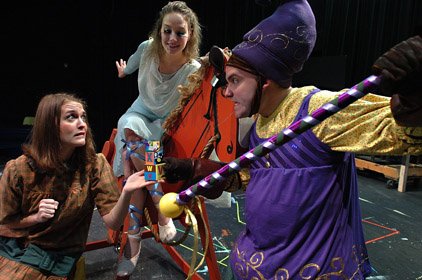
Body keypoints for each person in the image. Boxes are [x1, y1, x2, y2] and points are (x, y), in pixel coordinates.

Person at [162, 0, 422, 278]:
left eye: (235, 80)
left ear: (265, 81)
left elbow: (401, 132)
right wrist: (200, 170)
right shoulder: (259, 121)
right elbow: (256, 176)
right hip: (254, 264)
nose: (226, 92)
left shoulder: (317, 109)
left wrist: (413, 98)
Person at [0, 93, 157, 280]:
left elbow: (152, 175)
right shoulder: (18, 168)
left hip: (157, 160)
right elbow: (5, 222)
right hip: (15, 247)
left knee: (149, 183)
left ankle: (145, 232)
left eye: (83, 117)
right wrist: (35, 217)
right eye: (72, 117)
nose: (83, 124)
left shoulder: (150, 141)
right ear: (50, 125)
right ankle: (135, 239)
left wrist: (130, 188)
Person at [112, 1, 202, 276]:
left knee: (136, 154)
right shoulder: (147, 49)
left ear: (190, 35)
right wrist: (124, 71)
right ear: (159, 30)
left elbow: (206, 84)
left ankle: (135, 237)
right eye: (167, 31)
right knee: (128, 126)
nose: (172, 38)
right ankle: (161, 206)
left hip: (165, 122)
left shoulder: (193, 67)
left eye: (180, 33)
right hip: (140, 113)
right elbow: (129, 67)